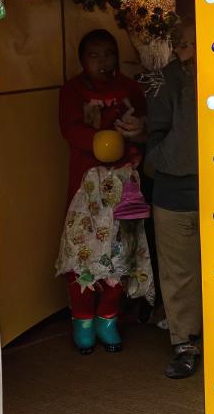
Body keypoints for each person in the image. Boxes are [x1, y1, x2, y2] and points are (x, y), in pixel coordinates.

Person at [56, 29, 150, 353]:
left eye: (109, 53)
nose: (103, 61)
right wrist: (98, 141)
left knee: (119, 248)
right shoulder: (72, 90)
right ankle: (82, 319)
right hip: (85, 187)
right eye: (94, 55)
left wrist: (136, 133)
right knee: (82, 248)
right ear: (82, 60)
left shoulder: (130, 88)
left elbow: (144, 123)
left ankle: (108, 316)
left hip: (122, 182)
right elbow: (69, 128)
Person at [145, 17, 202, 378]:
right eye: (183, 44)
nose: (190, 51)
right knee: (179, 272)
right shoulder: (166, 80)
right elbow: (155, 138)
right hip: (174, 191)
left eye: (196, 43)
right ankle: (185, 344)